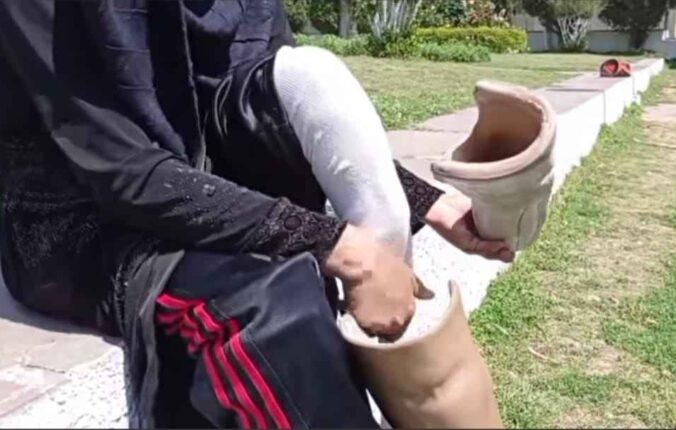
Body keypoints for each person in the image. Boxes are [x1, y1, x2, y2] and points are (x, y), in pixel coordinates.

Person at [0, 0, 514, 428]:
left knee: (303, 77)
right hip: (82, 220)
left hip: (198, 177)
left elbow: (285, 113)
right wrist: (340, 246)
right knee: (272, 308)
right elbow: (118, 167)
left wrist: (427, 202)